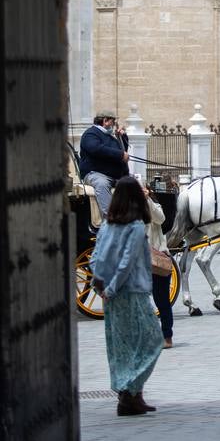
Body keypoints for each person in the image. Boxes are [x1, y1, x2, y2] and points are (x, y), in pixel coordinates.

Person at [91, 176, 163, 416]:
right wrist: (112, 288)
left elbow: (95, 257)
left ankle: (130, 397)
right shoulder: (134, 228)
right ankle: (130, 390)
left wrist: (100, 286)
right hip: (131, 291)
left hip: (110, 296)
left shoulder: (106, 225)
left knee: (122, 346)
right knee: (152, 340)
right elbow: (126, 263)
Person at [79, 112, 130, 218]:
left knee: (132, 184)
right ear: (105, 121)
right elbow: (96, 149)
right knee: (101, 184)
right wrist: (120, 154)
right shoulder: (91, 134)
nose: (115, 124)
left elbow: (122, 151)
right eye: (113, 122)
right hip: (95, 174)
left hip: (116, 176)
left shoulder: (111, 136)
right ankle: (111, 218)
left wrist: (123, 137)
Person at [144, 185, 174, 349]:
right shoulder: (129, 209)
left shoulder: (154, 206)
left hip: (157, 258)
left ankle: (167, 336)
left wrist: (147, 199)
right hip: (139, 260)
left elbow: (160, 218)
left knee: (161, 299)